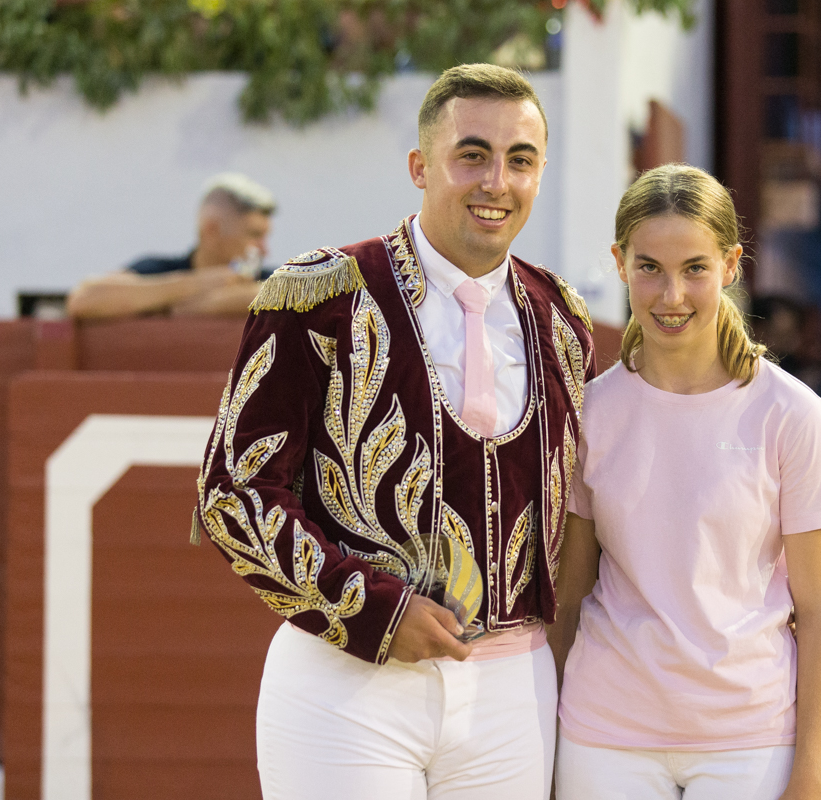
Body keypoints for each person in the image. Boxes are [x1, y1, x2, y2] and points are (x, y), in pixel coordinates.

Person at [194, 64, 595, 799]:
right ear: (420, 166)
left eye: (521, 160)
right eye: (471, 154)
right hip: (348, 679)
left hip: (511, 692)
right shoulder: (321, 294)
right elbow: (235, 495)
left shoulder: (561, 321)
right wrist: (375, 609)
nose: (495, 183)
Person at [551, 164, 821, 800]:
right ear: (619, 262)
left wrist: (813, 776)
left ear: (732, 264)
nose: (671, 295)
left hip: (750, 741)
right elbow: (570, 597)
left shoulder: (790, 413)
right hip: (603, 736)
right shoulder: (588, 414)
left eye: (695, 268)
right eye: (649, 267)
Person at [66, 173, 275, 318]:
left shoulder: (268, 278)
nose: (264, 249)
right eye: (254, 235)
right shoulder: (158, 269)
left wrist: (173, 304)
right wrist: (198, 284)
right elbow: (83, 300)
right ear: (211, 229)